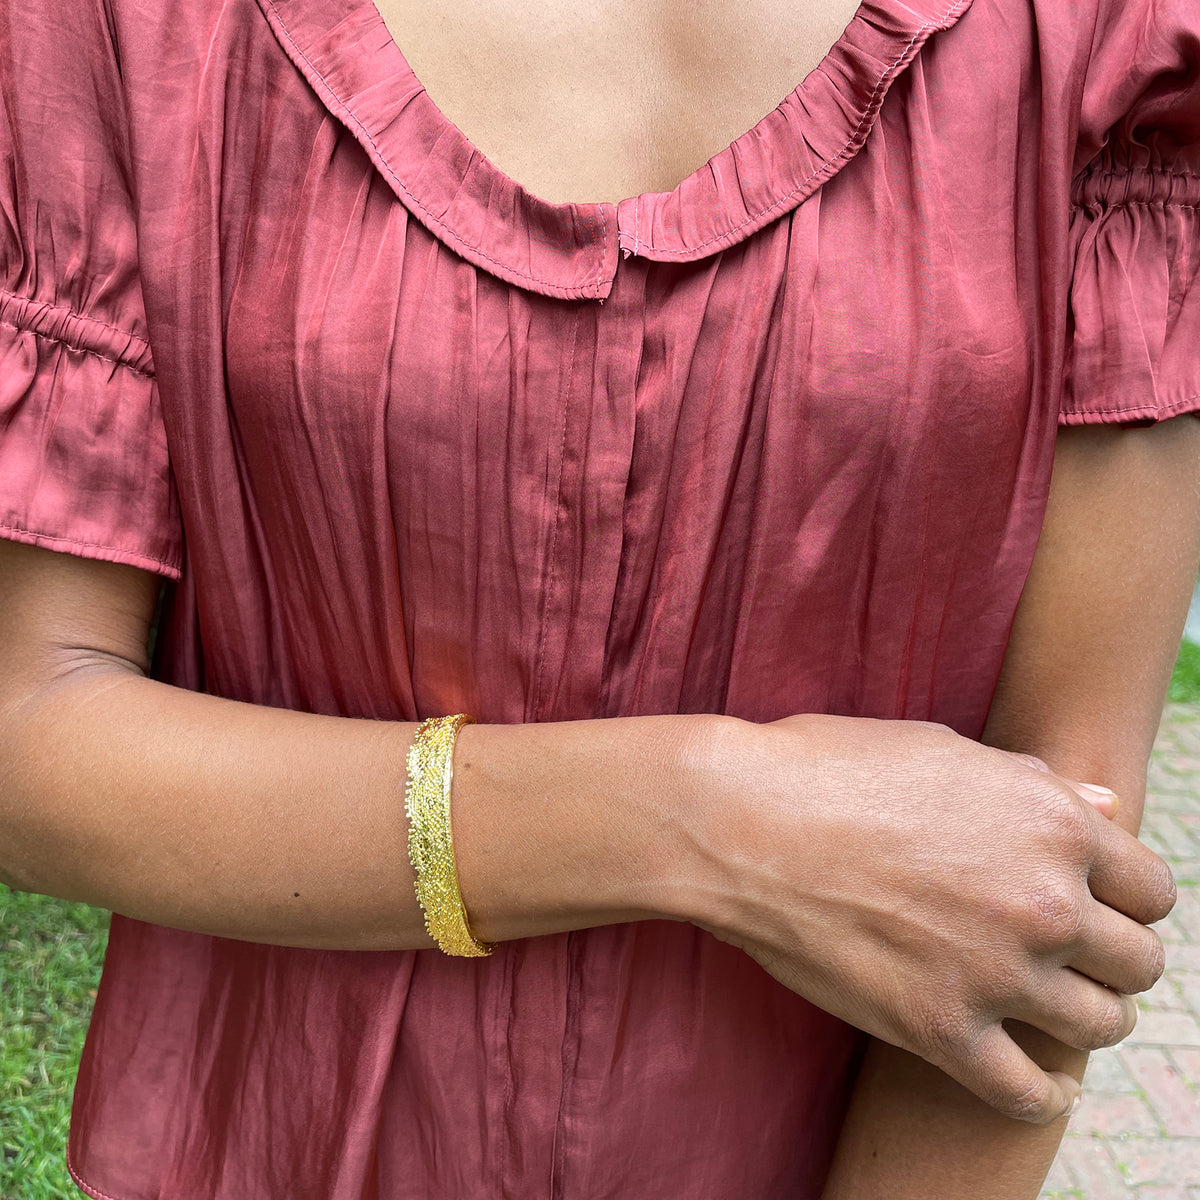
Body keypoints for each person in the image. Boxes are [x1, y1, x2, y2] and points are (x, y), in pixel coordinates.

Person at [1, 0, 1198, 1196]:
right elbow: (33, 732)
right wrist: (709, 820)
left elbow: (1054, 864)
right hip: (271, 1148)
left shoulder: (1113, 32)